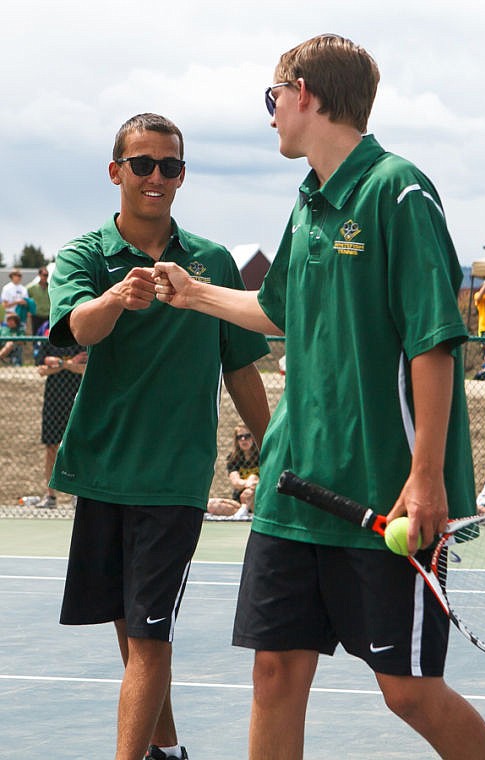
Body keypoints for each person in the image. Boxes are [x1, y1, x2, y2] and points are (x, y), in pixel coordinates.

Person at [154, 35, 485, 760]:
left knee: (408, 692)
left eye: (272, 97)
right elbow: (280, 311)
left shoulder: (398, 191)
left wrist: (426, 475)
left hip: (385, 496)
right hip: (294, 491)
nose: (271, 114)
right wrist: (193, 295)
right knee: (275, 674)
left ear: (303, 93)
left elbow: (433, 342)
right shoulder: (308, 203)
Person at [47, 112, 270, 760]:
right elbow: (78, 330)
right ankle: (168, 750)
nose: (155, 177)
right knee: (131, 629)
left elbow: (241, 369)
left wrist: (281, 447)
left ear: (182, 176)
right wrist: (117, 297)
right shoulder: (85, 255)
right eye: (142, 164)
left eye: (169, 166)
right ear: (116, 172)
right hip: (101, 469)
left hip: (174, 481)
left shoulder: (210, 262)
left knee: (148, 639)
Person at [35, 334, 87, 509]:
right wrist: (70, 364)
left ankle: (76, 495)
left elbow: (84, 369)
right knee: (51, 447)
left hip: (75, 401)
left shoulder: (81, 340)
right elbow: (42, 370)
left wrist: (58, 364)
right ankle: (50, 496)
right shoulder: (49, 341)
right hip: (52, 402)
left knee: (76, 448)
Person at [227, 425, 260, 515]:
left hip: (258, 500)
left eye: (247, 436)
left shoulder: (261, 456)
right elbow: (236, 482)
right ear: (236, 441)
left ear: (253, 437)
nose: (243, 439)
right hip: (239, 502)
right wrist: (249, 483)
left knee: (253, 477)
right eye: (239, 437)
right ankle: (244, 509)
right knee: (212, 505)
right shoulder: (233, 459)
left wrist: (253, 482)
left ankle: (244, 510)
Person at [27, 266, 51, 335]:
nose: (45, 277)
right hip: (36, 316)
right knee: (36, 334)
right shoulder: (31, 288)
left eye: (47, 275)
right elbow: (25, 298)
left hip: (48, 316)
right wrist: (29, 310)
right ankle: (35, 346)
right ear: (39, 275)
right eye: (44, 275)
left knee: (47, 334)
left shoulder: (51, 288)